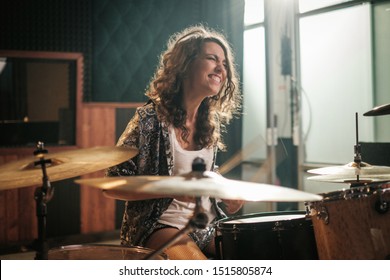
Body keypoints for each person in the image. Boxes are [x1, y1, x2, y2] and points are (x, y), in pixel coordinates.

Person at [106, 24, 244, 260]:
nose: (221, 68)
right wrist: (173, 186)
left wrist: (225, 189)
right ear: (186, 64)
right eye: (212, 58)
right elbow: (115, 182)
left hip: (205, 225)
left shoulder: (209, 123)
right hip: (157, 227)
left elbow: (201, 173)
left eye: (224, 63)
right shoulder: (150, 120)